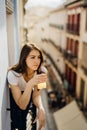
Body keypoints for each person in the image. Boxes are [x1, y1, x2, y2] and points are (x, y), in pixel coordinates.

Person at [7, 43, 48, 130]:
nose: (37, 61)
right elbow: (22, 105)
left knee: (26, 122)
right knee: (18, 122)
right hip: (15, 97)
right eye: (32, 57)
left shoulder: (42, 72)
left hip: (29, 94)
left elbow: (37, 94)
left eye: (39, 57)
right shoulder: (13, 74)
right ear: (24, 58)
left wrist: (41, 108)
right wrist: (30, 84)